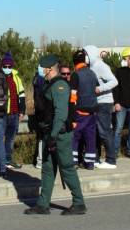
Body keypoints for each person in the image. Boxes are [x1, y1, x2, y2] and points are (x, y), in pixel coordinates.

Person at [24, 55, 86, 216]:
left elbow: (61, 113)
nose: (40, 70)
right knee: (48, 169)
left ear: (49, 69)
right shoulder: (49, 84)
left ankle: (79, 203)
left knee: (66, 168)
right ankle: (43, 204)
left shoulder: (60, 86)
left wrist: (53, 135)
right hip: (49, 133)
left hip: (59, 135)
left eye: (41, 67)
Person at [84, 46, 118, 169]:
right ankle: (96, 159)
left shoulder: (100, 66)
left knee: (104, 131)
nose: (84, 57)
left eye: (85, 54)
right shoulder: (91, 67)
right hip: (96, 103)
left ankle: (111, 160)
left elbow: (114, 81)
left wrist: (99, 89)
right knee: (96, 132)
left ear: (91, 54)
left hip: (104, 103)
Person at [70, 49, 99, 169]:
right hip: (92, 112)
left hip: (79, 112)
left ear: (75, 62)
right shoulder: (92, 73)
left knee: (75, 138)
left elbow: (73, 97)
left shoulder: (75, 75)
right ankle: (90, 163)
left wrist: (72, 115)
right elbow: (97, 89)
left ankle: (73, 162)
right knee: (90, 139)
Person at [0, 53, 25, 170]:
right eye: (5, 66)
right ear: (2, 66)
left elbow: (22, 94)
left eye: (9, 66)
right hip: (2, 113)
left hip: (14, 113)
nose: (7, 68)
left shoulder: (16, 78)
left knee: (10, 139)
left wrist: (22, 110)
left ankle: (8, 160)